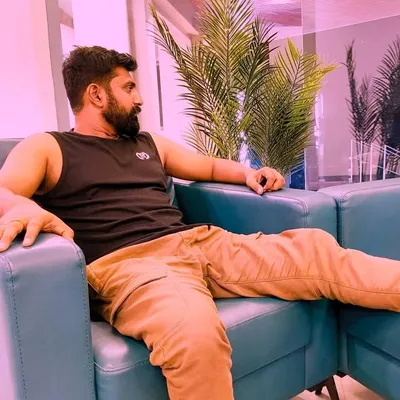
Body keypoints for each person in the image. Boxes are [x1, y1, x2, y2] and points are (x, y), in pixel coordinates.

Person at [0, 45, 400, 400]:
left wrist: (249, 174)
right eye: (129, 87)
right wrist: (22, 207)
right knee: (194, 333)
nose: (139, 98)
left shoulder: (148, 144)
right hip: (131, 267)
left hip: (199, 243)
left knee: (313, 250)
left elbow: (206, 166)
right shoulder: (48, 146)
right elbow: (4, 189)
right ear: (96, 94)